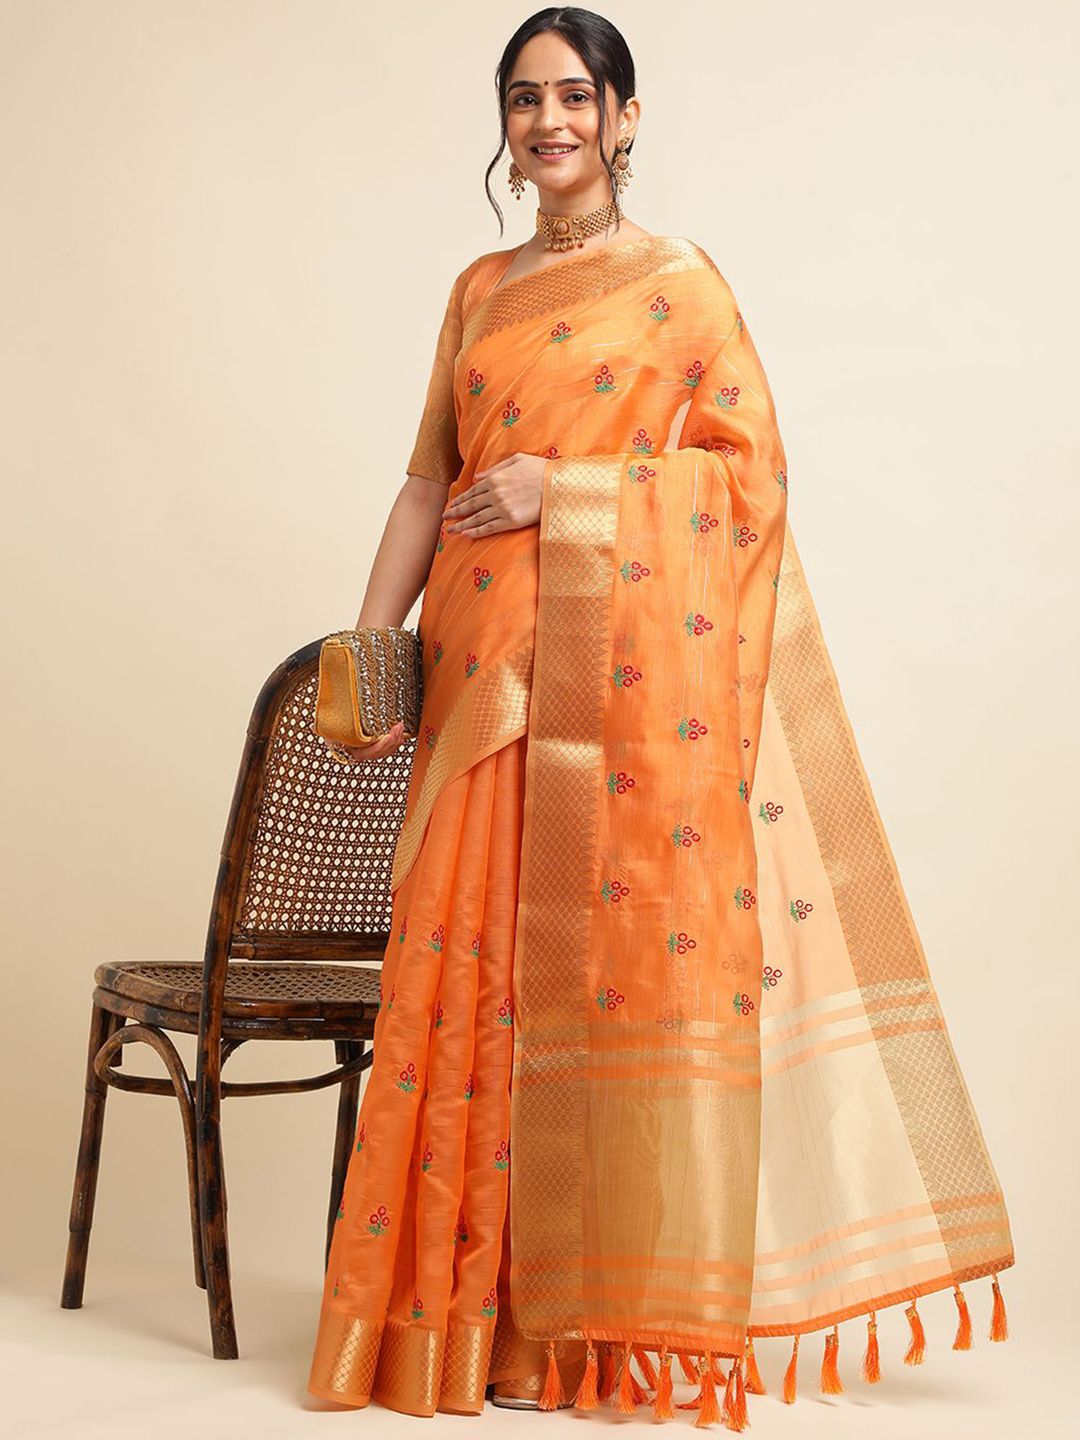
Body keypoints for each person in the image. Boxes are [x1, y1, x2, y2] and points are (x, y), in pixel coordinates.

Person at [306, 7, 1013, 1428]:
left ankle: (580, 1333)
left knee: (591, 979)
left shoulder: (682, 286)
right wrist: (370, 643)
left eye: (576, 96)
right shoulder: (477, 289)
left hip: (618, 690)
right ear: (505, 125)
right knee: (474, 979)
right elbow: (425, 479)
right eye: (524, 99)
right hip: (476, 674)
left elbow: (751, 488)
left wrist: (562, 492)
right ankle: (459, 1325)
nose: (549, 122)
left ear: (625, 117)